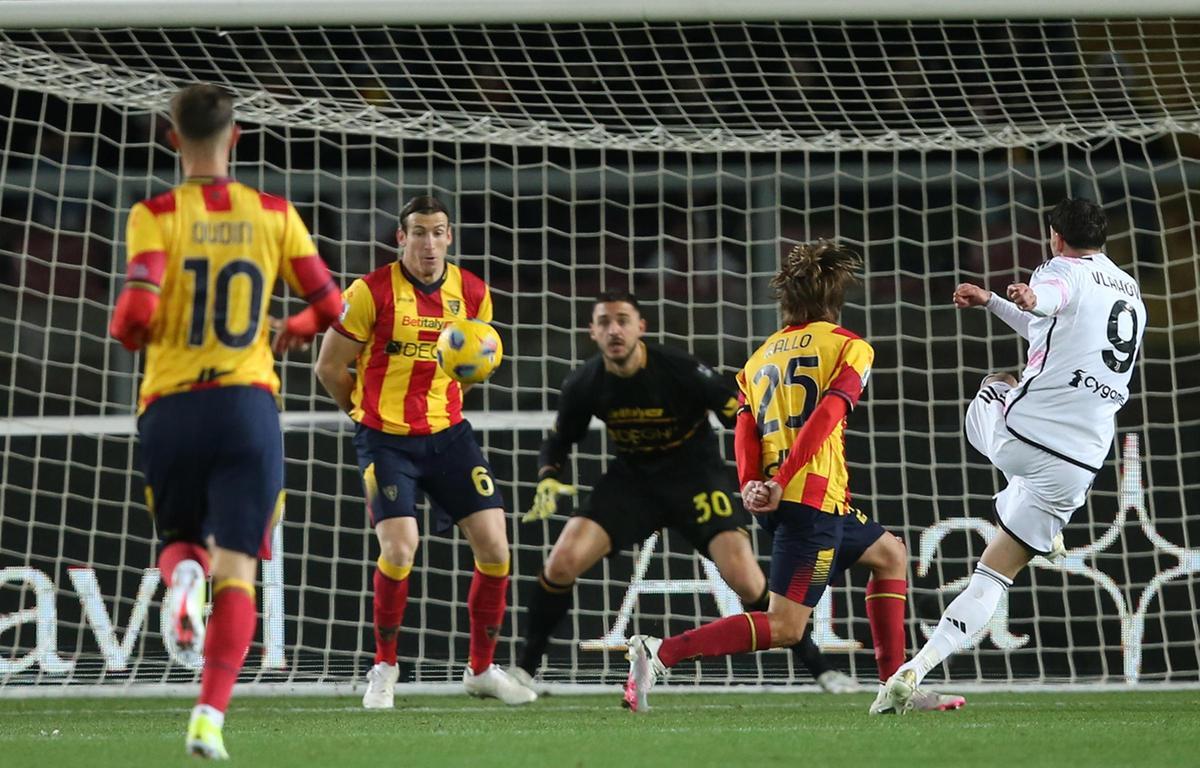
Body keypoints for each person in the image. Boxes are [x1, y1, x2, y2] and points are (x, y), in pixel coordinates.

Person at [624, 240, 965, 714]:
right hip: (809, 498)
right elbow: (826, 414)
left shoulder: (759, 357)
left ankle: (894, 686)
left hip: (789, 497)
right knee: (785, 626)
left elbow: (744, 427)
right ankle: (660, 652)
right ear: (836, 298)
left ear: (788, 301)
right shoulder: (850, 347)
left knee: (890, 555)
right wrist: (783, 478)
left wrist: (750, 482)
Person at [109, 83, 343, 759]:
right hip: (247, 405)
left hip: (172, 406)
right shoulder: (273, 212)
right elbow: (330, 305)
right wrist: (293, 326)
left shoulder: (154, 214)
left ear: (171, 138)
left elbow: (130, 320)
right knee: (238, 568)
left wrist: (139, 328)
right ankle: (208, 717)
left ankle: (182, 579)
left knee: (183, 538)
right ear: (236, 136)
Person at [513, 290, 860, 696]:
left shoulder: (680, 369)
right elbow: (558, 441)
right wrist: (549, 476)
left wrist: (767, 468)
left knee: (748, 583)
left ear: (640, 327)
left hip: (696, 480)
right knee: (561, 563)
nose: (614, 330)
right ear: (592, 331)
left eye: (622, 320)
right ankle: (524, 671)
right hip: (632, 483)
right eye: (604, 322)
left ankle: (819, 668)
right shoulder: (585, 382)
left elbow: (739, 413)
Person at [885, 198, 1145, 711]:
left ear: (1055, 237)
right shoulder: (1131, 291)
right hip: (1081, 464)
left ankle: (1016, 487)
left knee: (997, 381)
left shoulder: (1060, 270)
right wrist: (992, 302)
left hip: (1024, 435)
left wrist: (1028, 295)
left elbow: (1050, 299)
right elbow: (1050, 328)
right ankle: (914, 670)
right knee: (994, 575)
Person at [314, 195, 534, 709]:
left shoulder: (474, 293)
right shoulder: (369, 292)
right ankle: (384, 668)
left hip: (450, 436)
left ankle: (481, 670)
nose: (428, 243)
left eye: (438, 232)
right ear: (400, 238)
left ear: (450, 237)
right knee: (398, 549)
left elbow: (471, 371)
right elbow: (329, 367)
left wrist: (445, 409)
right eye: (418, 232)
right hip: (385, 440)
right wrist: (366, 417)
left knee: (497, 549)